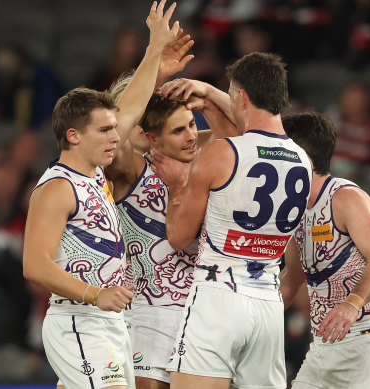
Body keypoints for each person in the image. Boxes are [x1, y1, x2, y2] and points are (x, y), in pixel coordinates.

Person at [22, 1, 183, 388]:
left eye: (116, 129)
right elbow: (35, 265)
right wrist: (95, 294)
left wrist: (153, 53)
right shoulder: (57, 187)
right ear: (74, 136)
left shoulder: (93, 174)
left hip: (109, 322)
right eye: (106, 131)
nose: (118, 137)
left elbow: (131, 107)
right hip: (80, 319)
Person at [153, 52, 313, 389]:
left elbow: (179, 237)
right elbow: (251, 137)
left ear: (240, 96)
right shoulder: (303, 160)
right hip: (268, 303)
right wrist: (211, 96)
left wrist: (177, 187)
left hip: (218, 297)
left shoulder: (218, 153)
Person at [106, 45, 237, 389]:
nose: (191, 135)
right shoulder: (133, 169)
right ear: (151, 135)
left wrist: (209, 92)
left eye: (193, 125)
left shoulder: (205, 158)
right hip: (151, 313)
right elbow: (111, 132)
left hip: (206, 311)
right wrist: (155, 74)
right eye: (179, 130)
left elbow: (253, 132)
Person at [279, 112, 370, 388]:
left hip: (366, 345)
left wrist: (352, 304)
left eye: (281, 152)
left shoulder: (345, 197)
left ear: (303, 159)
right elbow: (291, 280)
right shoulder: (295, 209)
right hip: (322, 350)